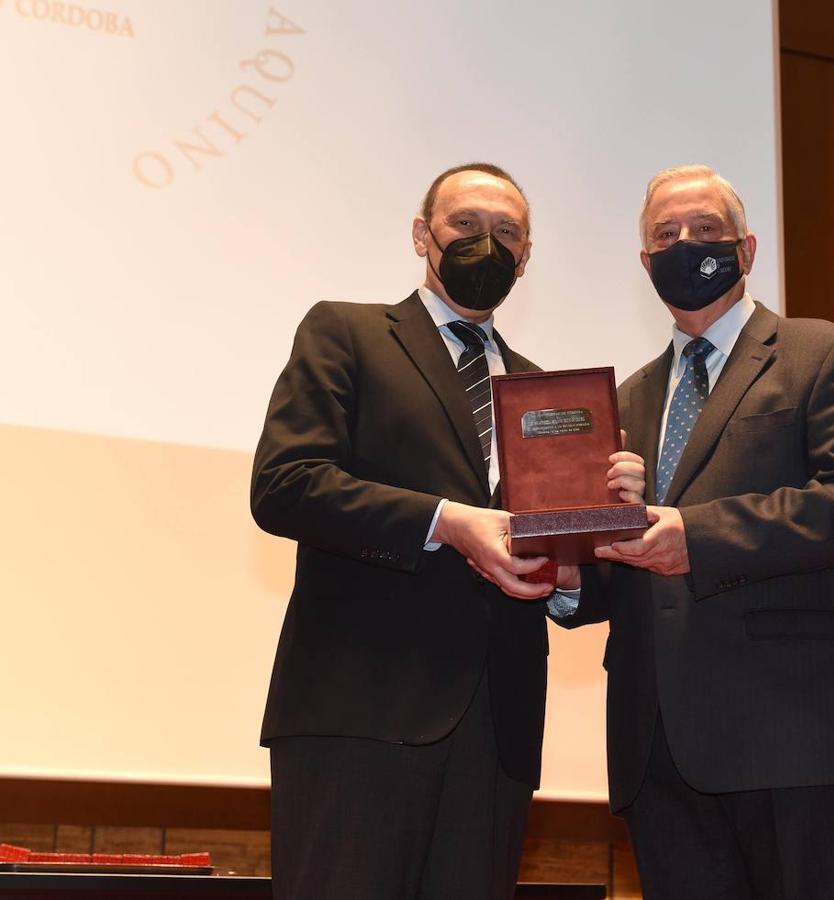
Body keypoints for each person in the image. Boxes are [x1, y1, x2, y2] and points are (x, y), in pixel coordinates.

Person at [250, 162, 644, 899]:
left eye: (506, 233)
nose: (484, 243)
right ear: (421, 234)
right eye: (465, 224)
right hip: (360, 712)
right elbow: (286, 486)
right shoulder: (348, 331)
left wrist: (571, 564)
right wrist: (449, 522)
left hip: (495, 726)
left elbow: (563, 569)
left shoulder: (548, 394)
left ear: (525, 258)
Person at [554, 164, 834, 899]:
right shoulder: (618, 402)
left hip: (795, 730)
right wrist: (568, 579)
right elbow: (632, 553)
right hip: (658, 744)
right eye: (665, 235)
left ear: (745, 250)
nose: (685, 245)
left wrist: (699, 535)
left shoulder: (822, 354)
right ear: (645, 263)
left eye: (705, 230)